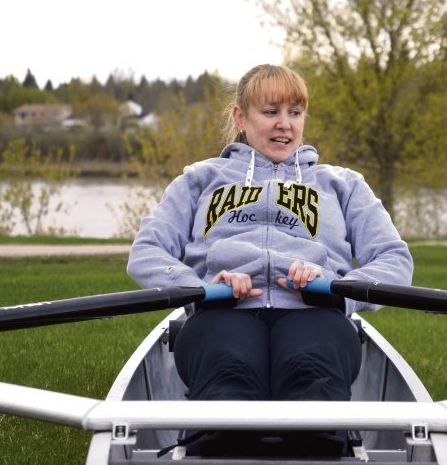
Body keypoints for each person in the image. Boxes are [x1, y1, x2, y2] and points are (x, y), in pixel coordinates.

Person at [127, 63, 412, 406]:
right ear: (240, 118)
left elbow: (395, 260)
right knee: (229, 371)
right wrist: (200, 289)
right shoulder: (198, 179)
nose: (285, 123)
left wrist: (336, 291)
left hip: (316, 315)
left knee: (312, 373)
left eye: (295, 112)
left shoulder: (343, 184)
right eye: (270, 111)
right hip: (221, 314)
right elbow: (146, 252)